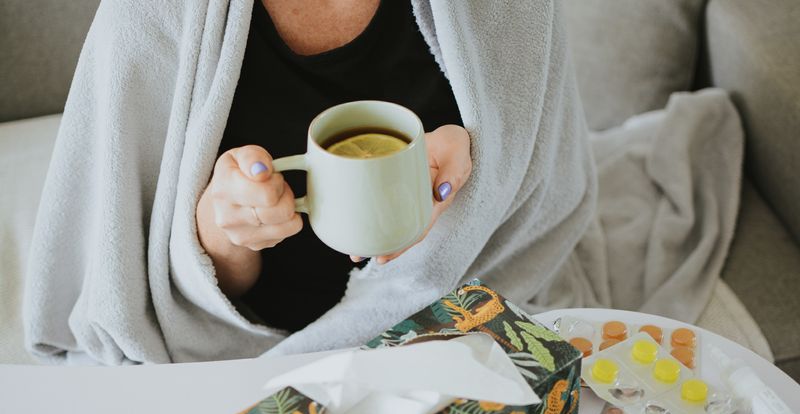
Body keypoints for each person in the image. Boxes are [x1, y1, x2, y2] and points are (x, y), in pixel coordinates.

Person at [24, 0, 595, 364]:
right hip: (245, 354)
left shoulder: (511, 10)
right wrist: (223, 236)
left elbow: (546, 189)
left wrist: (479, 160)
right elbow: (120, 279)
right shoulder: (151, 17)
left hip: (449, 326)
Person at [197, 0, 472, 332]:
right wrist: (226, 226)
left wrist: (479, 150)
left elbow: (536, 186)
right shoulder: (157, 15)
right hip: (265, 347)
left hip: (458, 322)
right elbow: (160, 293)